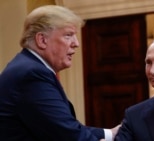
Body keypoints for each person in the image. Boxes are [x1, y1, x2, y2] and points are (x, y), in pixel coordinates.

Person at [0, 5, 120, 141]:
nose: (76, 43)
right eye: (68, 35)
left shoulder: (27, 67)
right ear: (42, 40)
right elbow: (68, 134)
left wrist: (111, 134)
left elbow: (62, 127)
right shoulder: (31, 75)